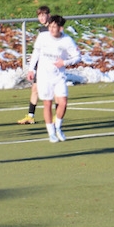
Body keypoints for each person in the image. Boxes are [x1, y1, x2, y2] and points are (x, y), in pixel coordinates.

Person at [26, 14, 81, 143]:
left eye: (54, 27)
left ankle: (58, 127)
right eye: (50, 26)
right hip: (44, 76)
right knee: (47, 103)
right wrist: (31, 69)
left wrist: (64, 62)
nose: (51, 29)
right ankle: (51, 132)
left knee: (63, 102)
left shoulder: (67, 40)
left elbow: (77, 57)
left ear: (60, 28)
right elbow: (36, 53)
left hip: (59, 76)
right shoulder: (43, 37)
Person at [17, 5, 51, 124]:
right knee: (35, 89)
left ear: (48, 16)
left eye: (43, 15)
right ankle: (30, 116)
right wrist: (32, 68)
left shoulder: (54, 29)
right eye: (39, 16)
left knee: (53, 90)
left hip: (51, 65)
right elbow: (37, 50)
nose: (41, 18)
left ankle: (57, 116)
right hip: (41, 64)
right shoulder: (42, 30)